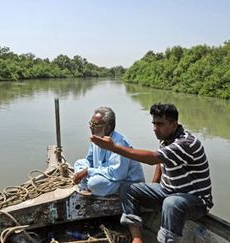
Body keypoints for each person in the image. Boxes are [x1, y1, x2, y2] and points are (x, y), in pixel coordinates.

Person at [90, 103, 213, 243]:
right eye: (154, 124)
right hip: (169, 192)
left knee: (171, 203)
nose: (155, 128)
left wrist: (114, 148)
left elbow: (153, 159)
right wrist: (153, 187)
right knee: (127, 188)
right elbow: (160, 164)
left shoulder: (186, 143)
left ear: (173, 124)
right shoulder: (166, 140)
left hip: (196, 200)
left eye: (160, 124)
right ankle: (137, 238)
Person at [73, 106, 145, 197]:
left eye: (95, 125)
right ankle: (87, 184)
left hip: (124, 181)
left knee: (95, 183)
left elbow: (117, 174)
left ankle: (88, 185)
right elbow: (89, 160)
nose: (91, 127)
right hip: (105, 175)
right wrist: (85, 170)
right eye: (91, 123)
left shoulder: (119, 143)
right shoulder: (96, 139)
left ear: (108, 127)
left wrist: (88, 172)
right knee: (79, 163)